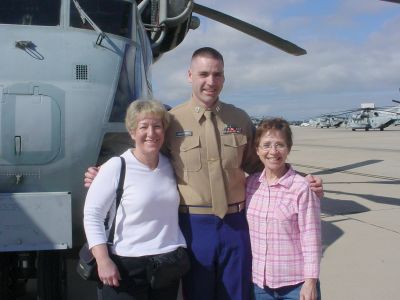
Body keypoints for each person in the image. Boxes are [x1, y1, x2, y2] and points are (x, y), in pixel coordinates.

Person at [85, 47, 324, 300]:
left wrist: (301, 179)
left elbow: (261, 165)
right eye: (203, 74)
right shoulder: (172, 121)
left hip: (236, 225)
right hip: (193, 227)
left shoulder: (239, 119)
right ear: (190, 76)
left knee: (237, 294)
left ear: (223, 78)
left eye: (217, 74)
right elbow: (149, 159)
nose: (211, 82)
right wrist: (105, 173)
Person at [83, 99, 187, 300]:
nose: (151, 133)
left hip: (167, 265)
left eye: (157, 126)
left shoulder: (172, 166)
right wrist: (103, 260)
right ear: (132, 132)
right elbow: (92, 215)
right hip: (126, 266)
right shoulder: (116, 166)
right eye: (143, 127)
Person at [246, 118, 321, 300]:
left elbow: (311, 238)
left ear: (288, 149)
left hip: (295, 285)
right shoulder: (250, 185)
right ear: (257, 150)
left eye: (280, 145)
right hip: (260, 285)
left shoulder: (301, 187)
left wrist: (310, 282)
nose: (273, 151)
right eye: (266, 145)